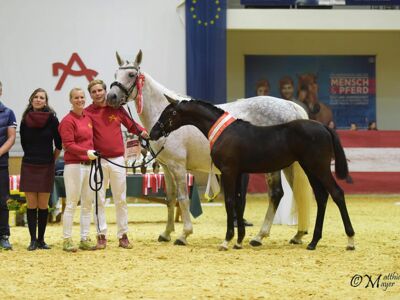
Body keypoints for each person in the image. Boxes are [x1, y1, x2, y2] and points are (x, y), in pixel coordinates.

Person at [85, 79, 149, 249]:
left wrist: (143, 132)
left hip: (117, 160)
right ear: (90, 94)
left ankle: (123, 235)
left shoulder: (117, 108)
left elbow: (131, 125)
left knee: (120, 199)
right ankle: (101, 236)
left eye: (100, 90)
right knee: (98, 200)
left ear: (105, 91)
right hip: (98, 161)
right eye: (94, 91)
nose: (98, 93)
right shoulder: (87, 113)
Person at [19, 88, 62, 251]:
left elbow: (58, 144)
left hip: (46, 165)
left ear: (46, 101)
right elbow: (24, 143)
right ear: (31, 100)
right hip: (29, 164)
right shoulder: (24, 119)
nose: (38, 99)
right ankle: (32, 241)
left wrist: (52, 160)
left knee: (43, 204)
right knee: (31, 204)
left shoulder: (53, 119)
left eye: (41, 97)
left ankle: (41, 240)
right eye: (35, 97)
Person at [58, 88, 98, 252]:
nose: (80, 100)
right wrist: (85, 152)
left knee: (88, 204)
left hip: (90, 166)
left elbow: (91, 140)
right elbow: (68, 145)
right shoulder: (67, 121)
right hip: (74, 166)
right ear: (71, 100)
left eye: (82, 97)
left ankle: (84, 238)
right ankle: (67, 239)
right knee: (72, 203)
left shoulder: (88, 118)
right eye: (76, 97)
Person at [0, 81, 17, 250]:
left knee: (2, 201)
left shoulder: (8, 113)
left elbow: (11, 138)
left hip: (1, 164)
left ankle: (4, 236)